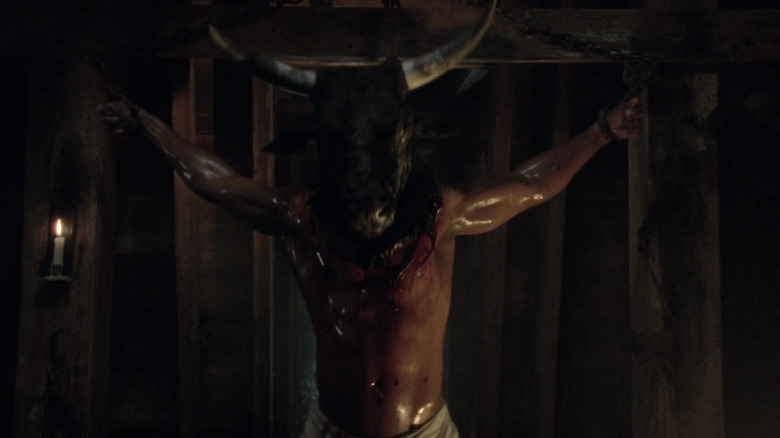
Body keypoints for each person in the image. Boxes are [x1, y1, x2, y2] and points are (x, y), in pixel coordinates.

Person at [98, 88, 641, 437]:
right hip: (333, 429)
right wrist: (147, 123)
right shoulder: (304, 217)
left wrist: (601, 130)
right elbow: (217, 183)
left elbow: (529, 186)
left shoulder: (439, 215)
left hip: (426, 431)